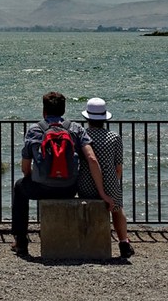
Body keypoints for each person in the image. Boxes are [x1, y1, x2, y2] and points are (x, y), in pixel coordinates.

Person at [11, 91, 114, 257]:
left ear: (44, 111)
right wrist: (103, 193)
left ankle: (21, 240)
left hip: (42, 187)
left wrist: (33, 177)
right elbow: (92, 159)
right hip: (68, 188)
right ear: (63, 110)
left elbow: (25, 167)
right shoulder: (75, 129)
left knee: (19, 187)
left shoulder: (35, 130)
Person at [77, 97, 135, 259]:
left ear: (87, 118)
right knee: (118, 209)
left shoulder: (81, 135)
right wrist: (112, 184)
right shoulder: (114, 137)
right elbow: (118, 167)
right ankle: (124, 242)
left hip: (85, 184)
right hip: (109, 184)